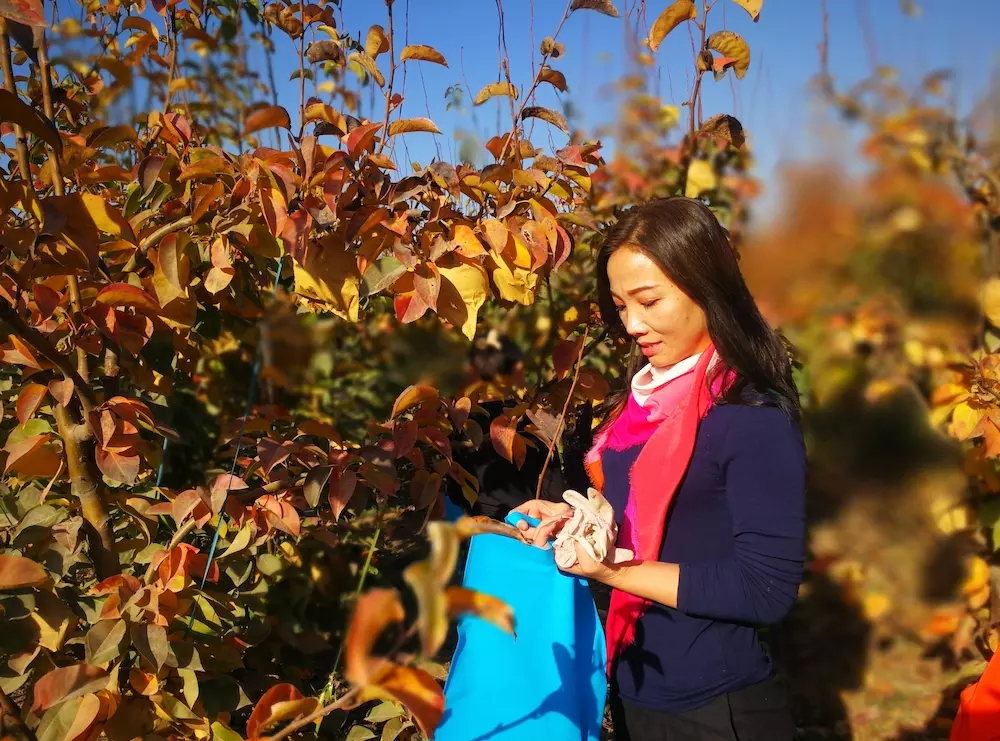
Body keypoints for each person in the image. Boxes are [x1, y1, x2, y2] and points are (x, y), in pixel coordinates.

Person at [512, 196, 807, 741]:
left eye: (648, 301)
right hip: (635, 684)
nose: (632, 325)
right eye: (622, 306)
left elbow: (766, 588)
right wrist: (578, 523)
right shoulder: (642, 407)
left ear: (707, 288)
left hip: (716, 708)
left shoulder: (747, 417)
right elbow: (661, 525)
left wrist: (610, 572)